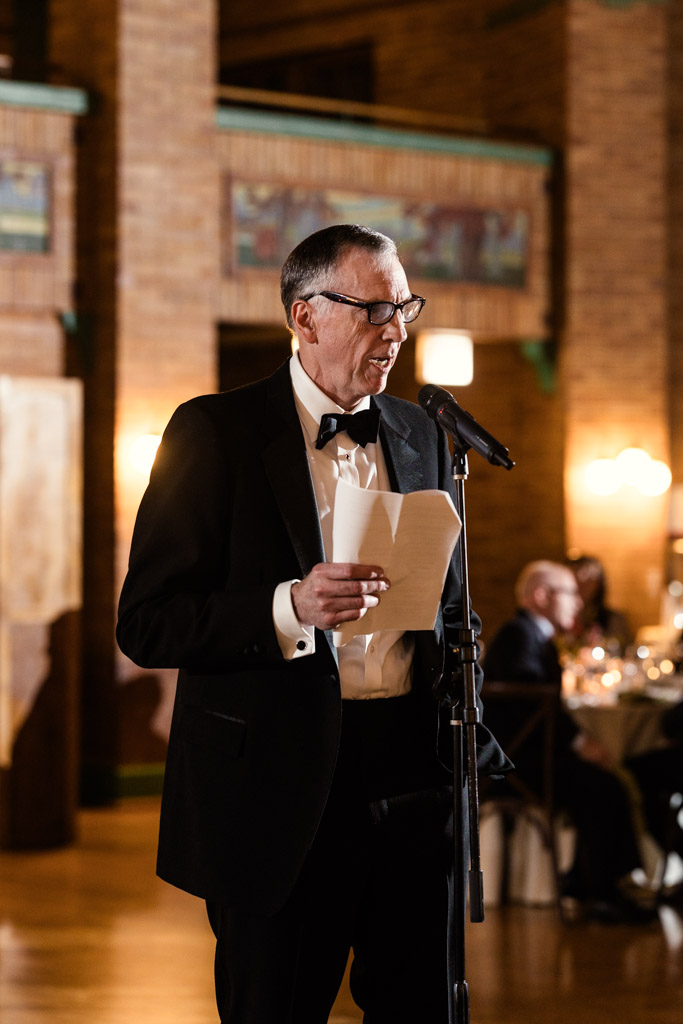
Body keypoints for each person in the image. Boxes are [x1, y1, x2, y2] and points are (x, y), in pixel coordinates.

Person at [116, 223, 510, 1024]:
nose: (395, 330)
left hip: (408, 776)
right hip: (278, 789)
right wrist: (288, 606)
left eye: (404, 307)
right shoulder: (213, 432)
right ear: (305, 315)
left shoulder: (421, 434)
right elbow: (148, 623)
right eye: (373, 309)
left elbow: (452, 606)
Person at [481, 560, 657, 923]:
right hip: (518, 766)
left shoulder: (531, 635)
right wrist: (579, 742)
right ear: (541, 595)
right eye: (570, 594)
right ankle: (603, 892)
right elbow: (531, 701)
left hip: (531, 757)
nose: (578, 603)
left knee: (605, 784)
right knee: (603, 787)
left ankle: (593, 880)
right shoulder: (518, 635)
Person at [567, 553, 633, 654]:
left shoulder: (614, 620)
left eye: (589, 577)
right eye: (577, 576)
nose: (582, 582)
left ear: (599, 583)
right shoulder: (561, 619)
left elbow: (625, 652)